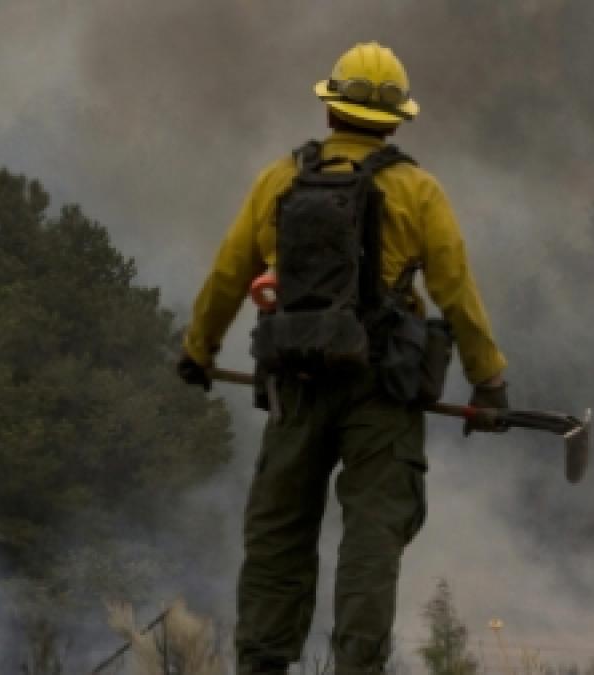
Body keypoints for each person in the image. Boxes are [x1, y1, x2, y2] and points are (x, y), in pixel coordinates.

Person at [175, 41, 509, 675]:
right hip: (383, 391)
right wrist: (488, 383)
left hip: (296, 384)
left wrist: (199, 351)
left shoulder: (279, 180)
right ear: (394, 120)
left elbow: (226, 275)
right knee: (371, 541)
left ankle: (262, 664)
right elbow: (457, 294)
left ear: (330, 111)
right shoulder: (418, 190)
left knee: (278, 538)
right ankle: (358, 667)